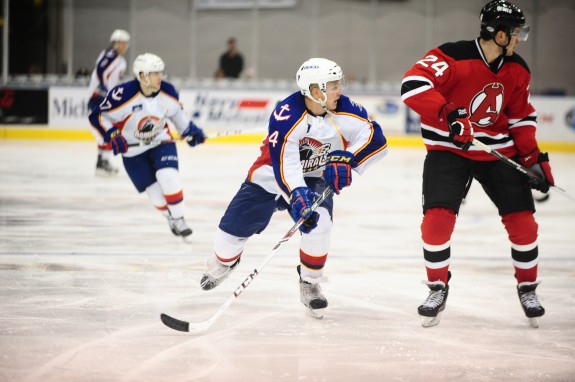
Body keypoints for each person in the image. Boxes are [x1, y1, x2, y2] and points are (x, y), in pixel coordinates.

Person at [400, 0, 555, 328]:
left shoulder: (518, 69)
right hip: (449, 149)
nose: (519, 39)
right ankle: (437, 286)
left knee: (524, 222)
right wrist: (450, 115)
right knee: (436, 221)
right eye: (515, 33)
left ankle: (528, 287)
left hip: (498, 152)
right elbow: (412, 86)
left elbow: (521, 116)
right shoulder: (452, 56)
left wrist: (533, 160)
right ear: (499, 35)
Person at [200, 58, 388, 318]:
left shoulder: (346, 109)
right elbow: (285, 165)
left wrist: (348, 159)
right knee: (231, 230)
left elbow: (376, 139)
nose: (340, 90)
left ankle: (310, 282)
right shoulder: (286, 114)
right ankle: (224, 261)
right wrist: (296, 195)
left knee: (320, 224)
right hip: (272, 173)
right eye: (333, 85)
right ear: (315, 91)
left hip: (316, 176)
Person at [88, 53, 206, 241]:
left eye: (160, 72)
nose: (160, 77)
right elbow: (98, 117)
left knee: (168, 177)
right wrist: (112, 135)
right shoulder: (123, 94)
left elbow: (178, 116)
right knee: (155, 195)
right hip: (133, 151)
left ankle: (179, 219)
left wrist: (191, 131)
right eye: (154, 73)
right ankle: (170, 217)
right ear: (142, 75)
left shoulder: (168, 92)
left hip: (161, 141)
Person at [87, 29, 131, 176]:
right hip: (99, 98)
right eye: (122, 43)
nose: (124, 46)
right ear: (116, 43)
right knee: (108, 129)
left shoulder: (117, 59)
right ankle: (102, 162)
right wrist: (105, 89)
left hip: (103, 98)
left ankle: (102, 161)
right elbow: (101, 70)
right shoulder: (112, 55)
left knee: (107, 129)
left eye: (126, 43)